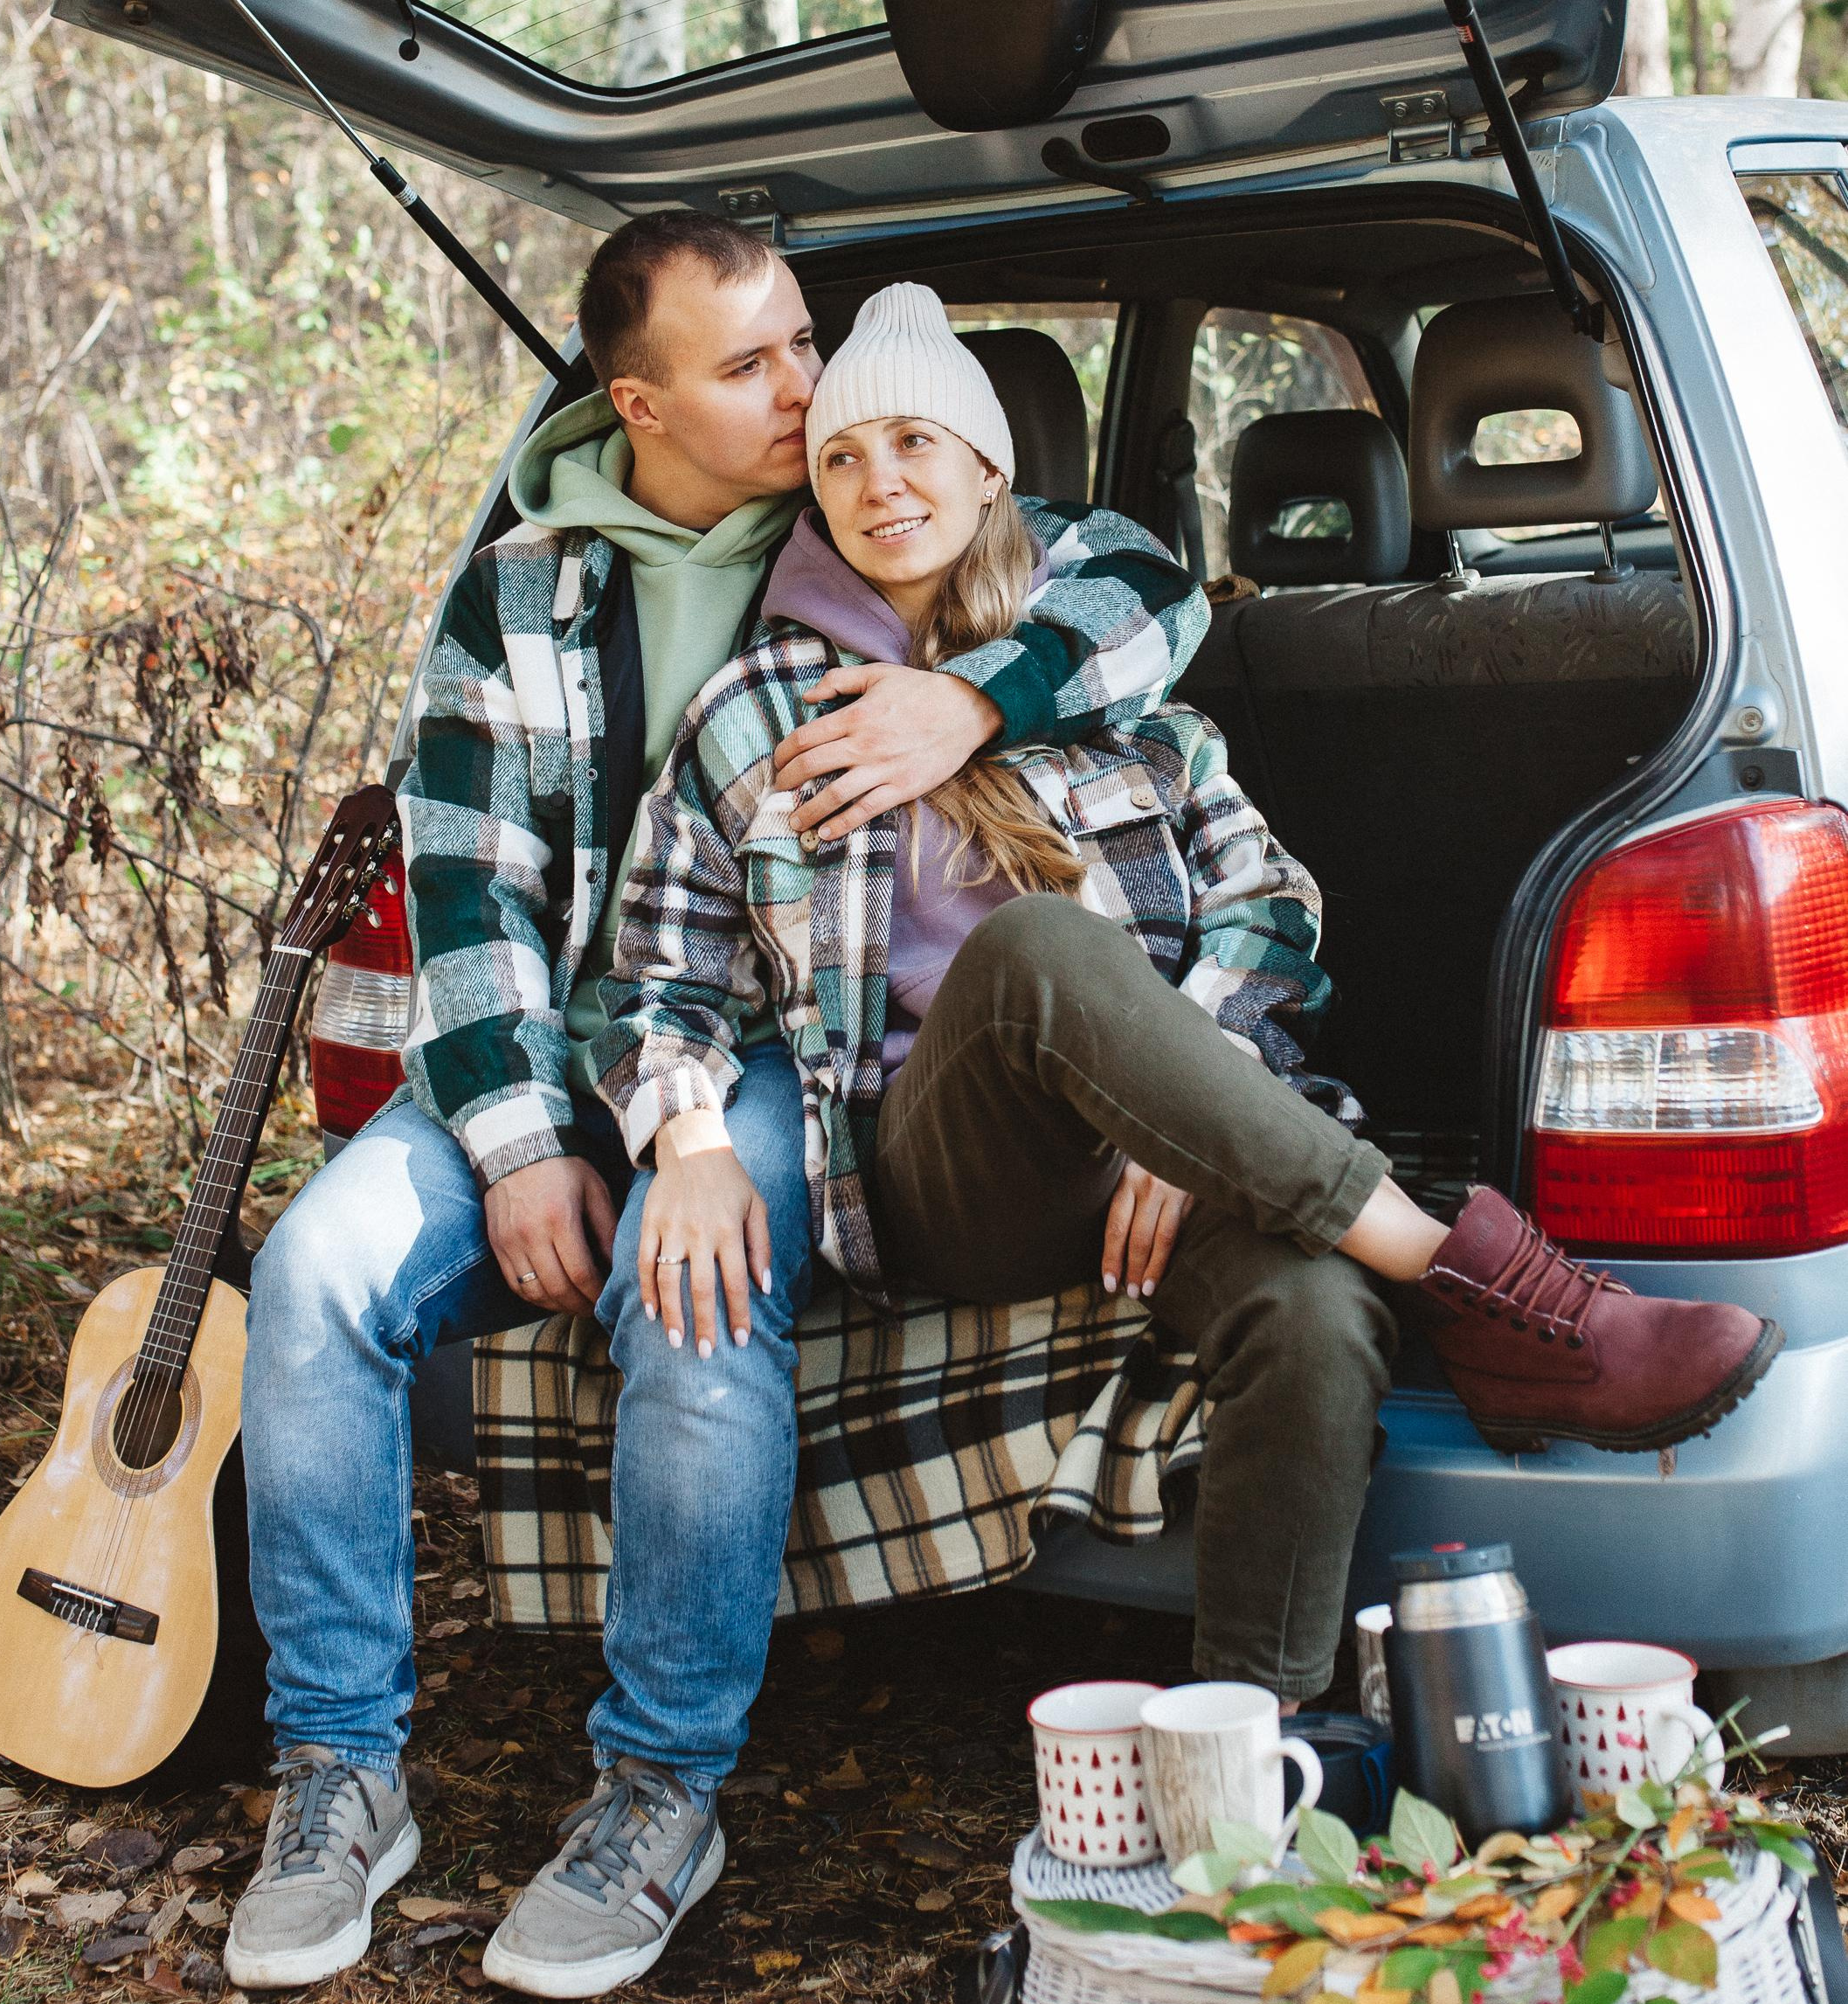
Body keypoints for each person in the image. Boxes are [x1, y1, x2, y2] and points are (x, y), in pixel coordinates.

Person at [584, 285, 1782, 1780]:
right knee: (1037, 950)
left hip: (1169, 1146)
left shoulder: (1108, 670)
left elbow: (1269, 910)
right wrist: (689, 1132)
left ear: (987, 467)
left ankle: (1249, 1763)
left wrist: (1185, 1102)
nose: (878, 483)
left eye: (913, 443)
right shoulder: (756, 710)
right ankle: (1483, 1283)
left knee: (1317, 1311)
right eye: (840, 458)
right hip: (949, 1171)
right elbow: (658, 975)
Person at [225, 219, 1210, 1994]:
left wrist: (962, 704)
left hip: (764, 1039)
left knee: (695, 1279)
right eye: (754, 366)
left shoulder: (854, 512)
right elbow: (465, 890)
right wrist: (525, 1146)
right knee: (308, 1275)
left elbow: (1147, 585)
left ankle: (659, 1791)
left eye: (806, 343)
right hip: (554, 1051)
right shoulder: (522, 595)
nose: (810, 394)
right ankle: (337, 1772)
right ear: (641, 405)